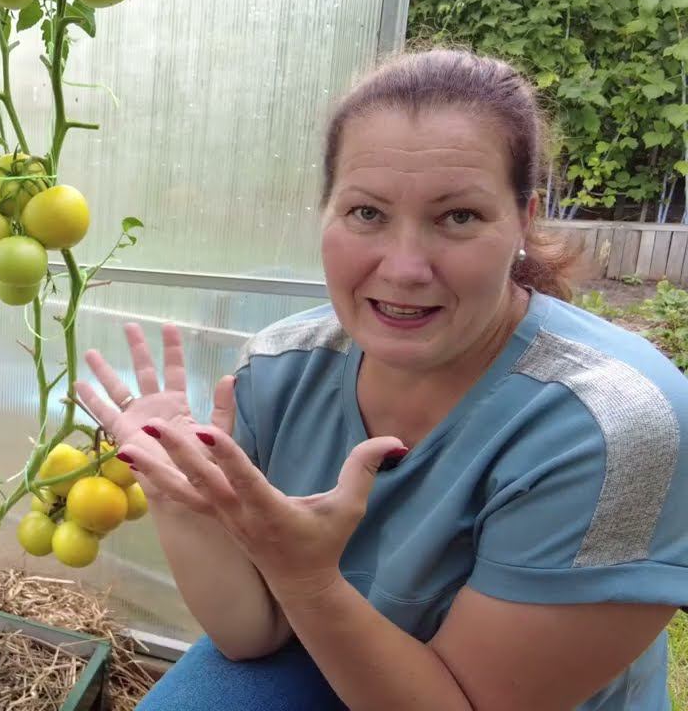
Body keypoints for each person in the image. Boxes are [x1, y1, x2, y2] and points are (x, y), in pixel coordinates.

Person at [75, 48, 688, 710]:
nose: (403, 268)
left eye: (458, 217)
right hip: (336, 660)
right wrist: (184, 500)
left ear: (524, 221)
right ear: (326, 212)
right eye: (367, 213)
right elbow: (250, 634)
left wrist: (307, 580)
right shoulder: (282, 370)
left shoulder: (614, 425)